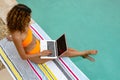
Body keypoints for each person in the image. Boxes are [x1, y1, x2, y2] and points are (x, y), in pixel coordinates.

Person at [6, 4, 97, 64]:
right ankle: (85, 52)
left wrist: (11, 37)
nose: (30, 18)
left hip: (40, 45)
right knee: (63, 52)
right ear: (20, 18)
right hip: (38, 56)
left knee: (64, 48)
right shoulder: (16, 36)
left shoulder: (23, 25)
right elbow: (24, 57)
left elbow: (21, 36)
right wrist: (41, 53)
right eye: (28, 17)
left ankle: (82, 54)